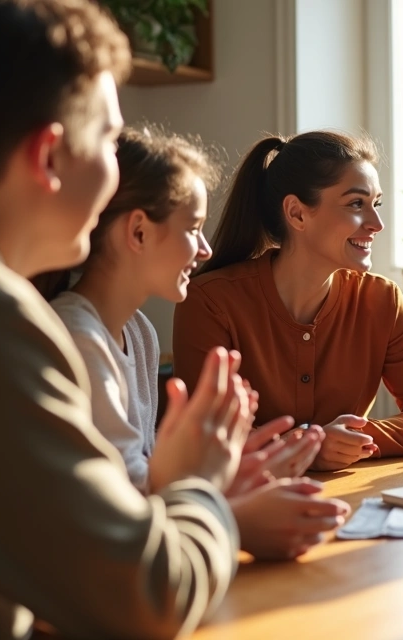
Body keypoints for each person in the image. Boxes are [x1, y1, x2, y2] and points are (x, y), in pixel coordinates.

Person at [0, 1, 252, 637]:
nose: (115, 170)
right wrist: (200, 484)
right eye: (105, 139)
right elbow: (152, 594)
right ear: (48, 157)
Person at [41, 126, 348, 559]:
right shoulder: (78, 337)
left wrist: (233, 473)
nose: (204, 249)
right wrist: (232, 511)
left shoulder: (139, 332)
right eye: (193, 228)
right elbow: (126, 500)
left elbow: (151, 480)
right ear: (139, 232)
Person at [174, 131, 403, 470]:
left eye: (376, 203)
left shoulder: (382, 299)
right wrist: (311, 444)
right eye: (356, 204)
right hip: (238, 505)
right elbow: (210, 438)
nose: (377, 224)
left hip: (345, 498)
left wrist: (348, 440)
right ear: (296, 214)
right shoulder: (209, 302)